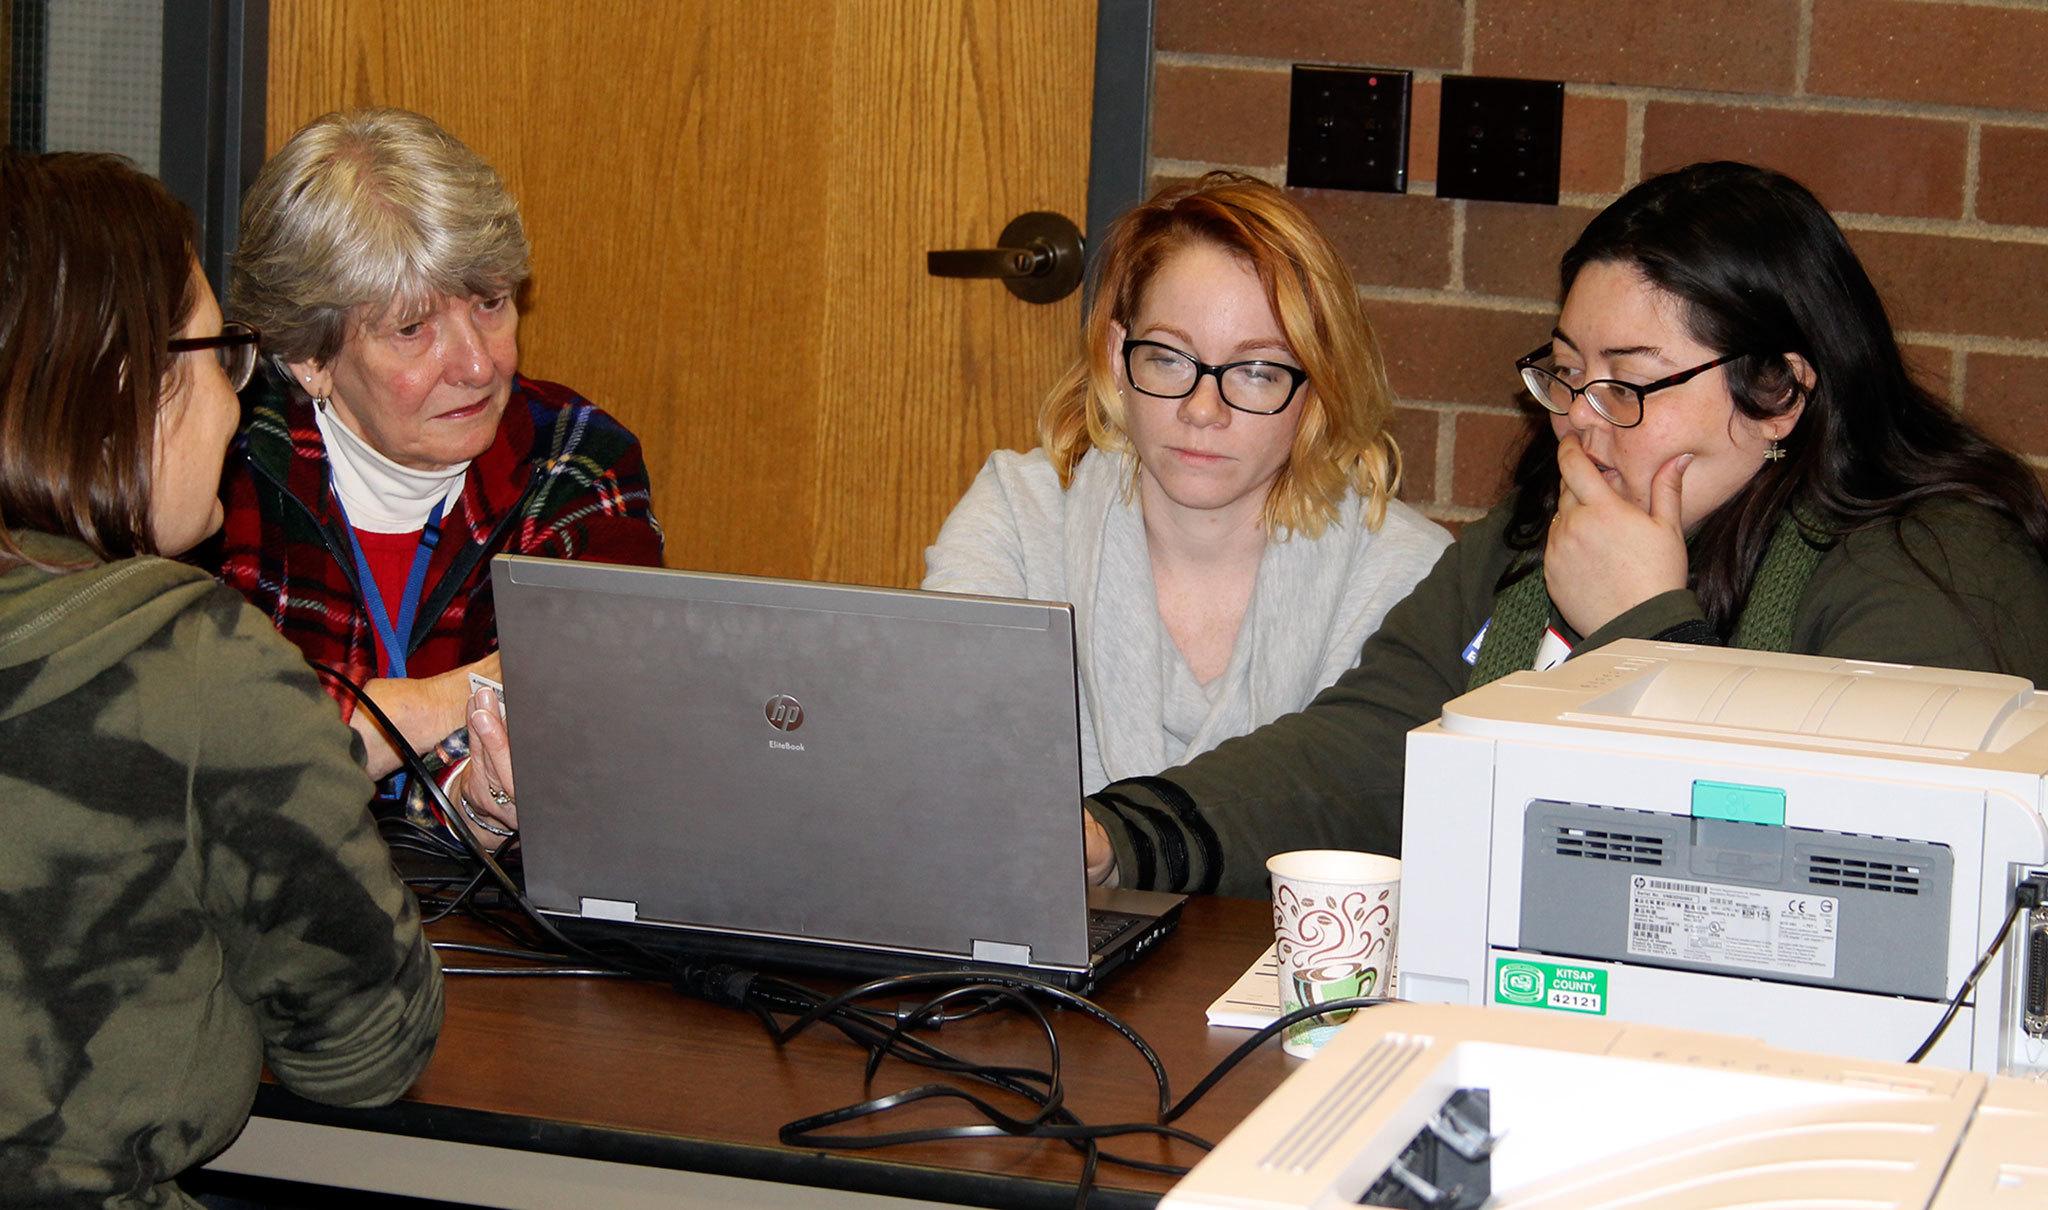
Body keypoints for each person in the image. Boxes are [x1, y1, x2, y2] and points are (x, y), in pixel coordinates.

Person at [1080, 161, 2048, 896]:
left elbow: (1826, 874)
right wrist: (1116, 834)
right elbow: (1377, 746)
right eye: (1566, 370)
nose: (1581, 415)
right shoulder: (1543, 530)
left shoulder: (1938, 565)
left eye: (1627, 380)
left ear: (1777, 395)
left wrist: (1638, 627)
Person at [0, 150, 442, 1206]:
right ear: (124, 383)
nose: (237, 407)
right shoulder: (197, 659)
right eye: (219, 355)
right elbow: (366, 1054)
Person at [214, 107, 662, 839]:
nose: (479, 365)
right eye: (413, 329)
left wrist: (464, 796)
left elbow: (613, 700)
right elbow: (225, 764)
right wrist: (456, 696)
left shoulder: (577, 454)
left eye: (490, 304)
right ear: (309, 358)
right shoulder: (225, 476)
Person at [924, 173, 1449, 794]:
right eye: (1169, 358)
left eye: (1256, 370)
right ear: (1119, 357)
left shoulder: (1410, 576)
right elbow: (944, 757)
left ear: (1317, 387)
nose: (1203, 410)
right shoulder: (1019, 515)